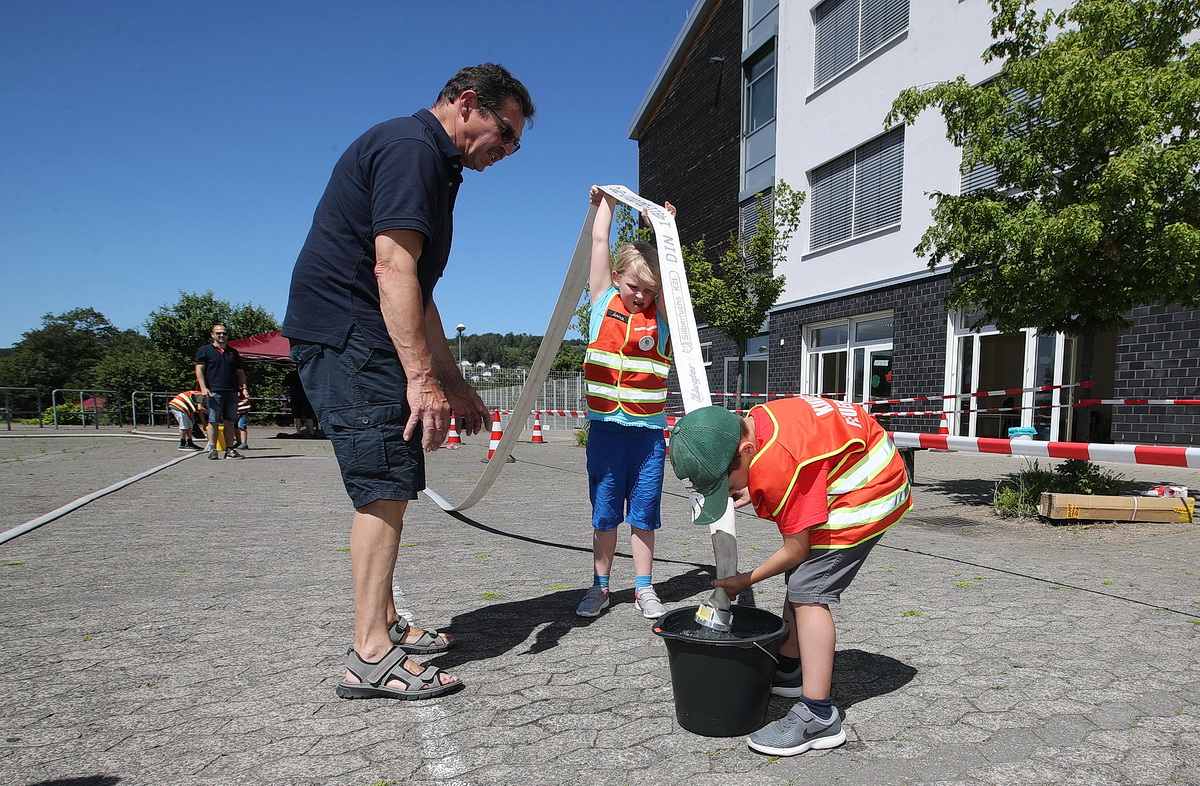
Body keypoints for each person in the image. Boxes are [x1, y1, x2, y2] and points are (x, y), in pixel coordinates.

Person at [282, 63, 534, 700]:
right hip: (351, 335)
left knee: (391, 477)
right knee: (382, 486)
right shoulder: (412, 148)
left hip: (362, 332)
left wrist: (453, 381)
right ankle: (370, 654)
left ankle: (387, 621)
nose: (507, 151)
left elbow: (418, 293)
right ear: (467, 104)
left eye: (515, 144)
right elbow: (391, 268)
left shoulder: (432, 161)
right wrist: (421, 381)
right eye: (505, 133)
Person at [668, 398, 912, 756]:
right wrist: (749, 483)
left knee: (808, 590)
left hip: (872, 489)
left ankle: (818, 715)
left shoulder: (780, 464)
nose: (730, 492)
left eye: (727, 484)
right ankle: (792, 665)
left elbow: (796, 549)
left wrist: (745, 581)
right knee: (801, 578)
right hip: (852, 463)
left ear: (746, 450)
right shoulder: (755, 422)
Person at [575, 186, 676, 620]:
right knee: (605, 512)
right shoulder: (602, 303)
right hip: (606, 432)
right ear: (617, 278)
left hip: (648, 436)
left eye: (650, 291)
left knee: (644, 512)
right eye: (634, 286)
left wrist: (663, 231)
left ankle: (643, 587)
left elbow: (672, 277)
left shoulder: (663, 319)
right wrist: (607, 204)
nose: (641, 296)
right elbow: (599, 241)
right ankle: (600, 587)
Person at [194, 325, 248, 460]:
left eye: (224, 333)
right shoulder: (205, 350)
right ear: (212, 335)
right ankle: (213, 449)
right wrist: (203, 387)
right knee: (213, 421)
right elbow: (199, 369)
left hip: (232, 391)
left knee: (230, 422)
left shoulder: (233, 352)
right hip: (214, 391)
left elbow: (240, 372)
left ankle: (230, 450)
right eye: (218, 333)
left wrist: (244, 388)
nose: (222, 335)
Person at [283, 367, 318, 437]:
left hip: (295, 397)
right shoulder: (308, 373)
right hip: (307, 397)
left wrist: (280, 393)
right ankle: (312, 433)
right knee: (309, 416)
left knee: (297, 416)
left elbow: (282, 386)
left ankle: (298, 432)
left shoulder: (291, 374)